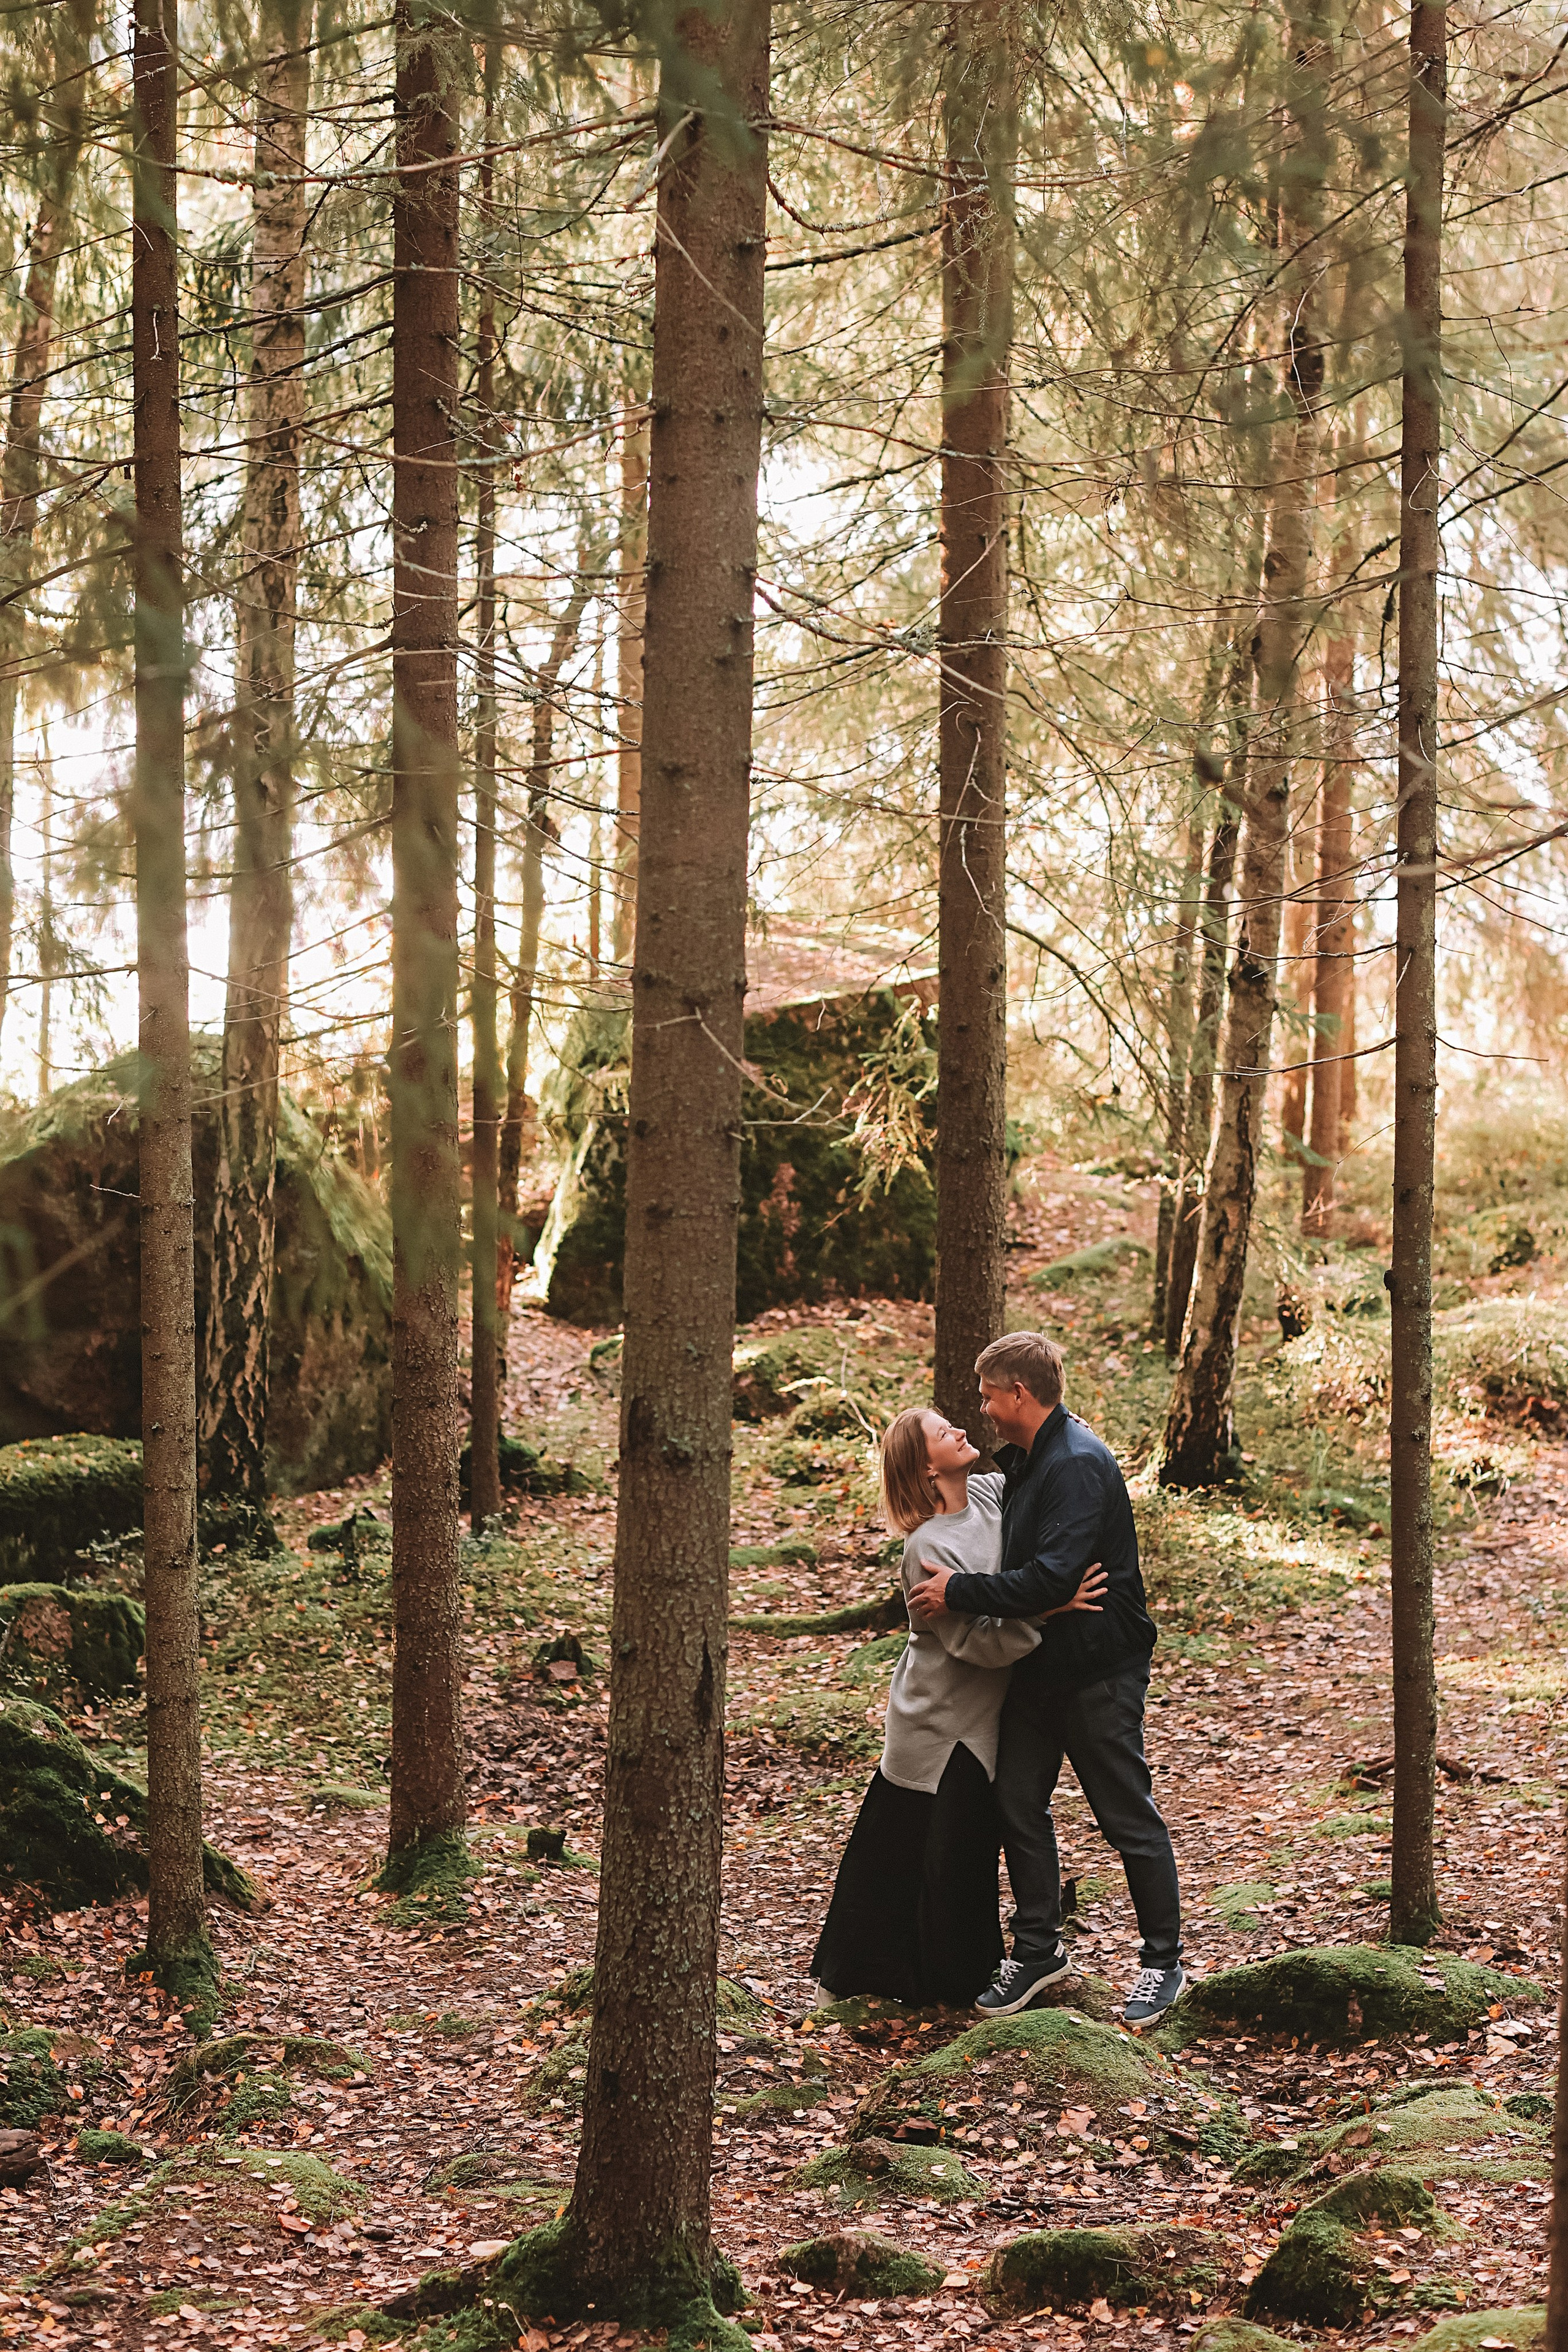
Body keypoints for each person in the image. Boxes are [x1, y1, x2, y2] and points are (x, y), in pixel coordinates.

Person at [908, 1330, 1184, 2026]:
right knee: (1017, 1803)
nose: (983, 1410)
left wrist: (958, 1591)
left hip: (1098, 1671)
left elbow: (1055, 1578)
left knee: (1125, 1816)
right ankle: (1038, 1950)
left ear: (1019, 1393)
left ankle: (1163, 1963)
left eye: (988, 1397)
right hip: (1037, 1666)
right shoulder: (1030, 1458)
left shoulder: (1076, 1463)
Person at [811, 1404, 1106, 2007]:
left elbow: (1045, 1469)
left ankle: (953, 1981)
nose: (961, 1431)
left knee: (959, 1854)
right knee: (903, 1854)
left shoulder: (993, 1495)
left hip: (980, 1719)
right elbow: (977, 1644)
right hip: (935, 1724)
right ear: (926, 1466)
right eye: (944, 1433)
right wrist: (1048, 1608)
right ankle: (851, 1979)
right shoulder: (927, 1547)